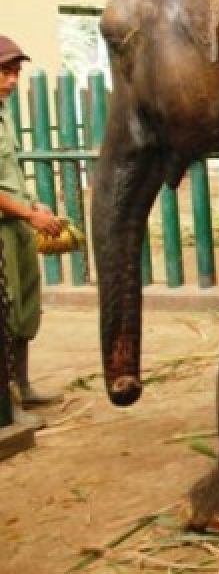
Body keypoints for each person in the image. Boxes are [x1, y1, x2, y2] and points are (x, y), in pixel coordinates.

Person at [0, 34, 63, 431]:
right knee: (4, 315)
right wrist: (28, 213)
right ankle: (6, 400)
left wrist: (35, 204)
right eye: (5, 72)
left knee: (25, 308)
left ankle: (22, 385)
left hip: (19, 224)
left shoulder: (4, 113)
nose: (11, 81)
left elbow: (12, 171)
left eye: (15, 72)